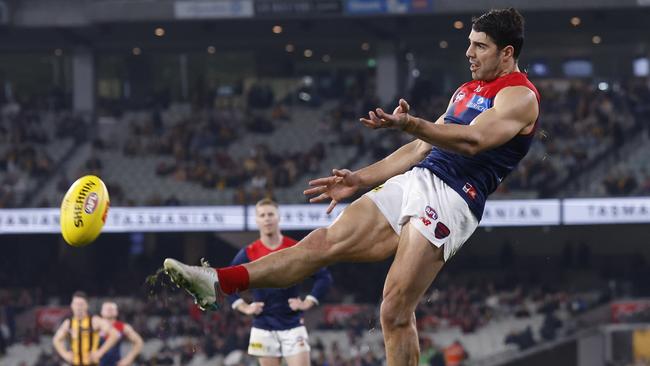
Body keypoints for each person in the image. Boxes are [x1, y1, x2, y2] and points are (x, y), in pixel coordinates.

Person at [163, 8, 539, 365]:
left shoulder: (519, 96)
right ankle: (217, 282)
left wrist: (413, 123)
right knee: (320, 243)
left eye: (480, 45)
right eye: (470, 42)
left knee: (393, 309)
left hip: (452, 198)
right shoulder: (466, 89)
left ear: (507, 52)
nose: (468, 52)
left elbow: (473, 141)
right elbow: (420, 147)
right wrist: (359, 180)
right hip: (417, 179)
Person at [229, 198, 332, 366]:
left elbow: (324, 276)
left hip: (292, 324)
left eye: (271, 214)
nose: (267, 218)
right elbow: (228, 284)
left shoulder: (294, 249)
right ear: (257, 220)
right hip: (263, 325)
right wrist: (244, 307)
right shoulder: (248, 252)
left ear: (279, 217)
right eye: (262, 215)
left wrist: (308, 302)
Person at [53, 292, 120, 366]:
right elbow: (56, 340)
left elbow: (115, 334)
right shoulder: (68, 323)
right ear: (71, 305)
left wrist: (100, 353)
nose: (78, 307)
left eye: (81, 304)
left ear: (87, 305)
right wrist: (65, 354)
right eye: (76, 304)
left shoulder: (95, 321)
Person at [98, 301, 144, 366]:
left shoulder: (122, 327)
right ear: (101, 312)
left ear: (117, 312)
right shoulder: (95, 325)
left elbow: (139, 342)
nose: (109, 310)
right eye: (107, 308)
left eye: (112, 309)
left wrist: (128, 359)